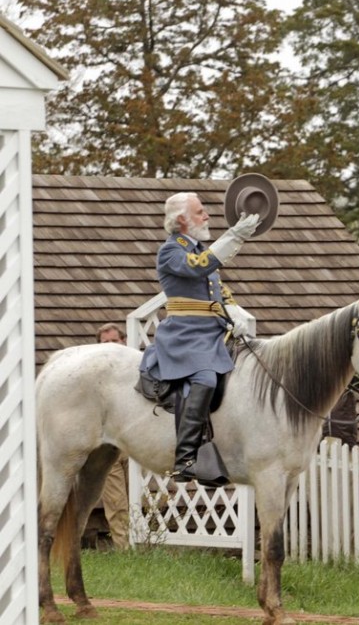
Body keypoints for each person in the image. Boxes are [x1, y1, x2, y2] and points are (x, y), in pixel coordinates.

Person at [139, 193, 260, 483]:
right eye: (200, 212)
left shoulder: (198, 247)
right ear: (182, 220)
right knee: (205, 378)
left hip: (213, 332)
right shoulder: (171, 251)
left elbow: (216, 289)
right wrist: (234, 237)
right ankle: (185, 459)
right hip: (186, 335)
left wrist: (233, 310)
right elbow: (198, 266)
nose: (207, 217)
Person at [95, 323, 131, 549]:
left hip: (137, 444)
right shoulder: (93, 376)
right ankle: (125, 551)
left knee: (141, 498)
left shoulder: (136, 369)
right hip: (109, 447)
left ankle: (145, 544)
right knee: (116, 502)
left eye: (114, 341)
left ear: (124, 342)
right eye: (104, 342)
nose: (110, 346)